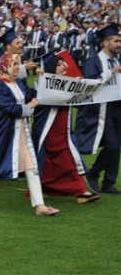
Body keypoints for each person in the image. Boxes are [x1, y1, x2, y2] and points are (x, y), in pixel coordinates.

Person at [0, 53, 60, 216]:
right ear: (5, 65)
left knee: (31, 165)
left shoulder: (16, 83)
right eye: (14, 64)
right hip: (2, 132)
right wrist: (31, 107)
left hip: (20, 131)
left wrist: (39, 81)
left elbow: (29, 95)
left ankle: (40, 205)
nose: (17, 67)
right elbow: (11, 109)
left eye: (18, 64)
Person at [32, 54, 99, 204]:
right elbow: (37, 97)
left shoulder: (67, 84)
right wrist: (39, 80)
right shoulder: (43, 84)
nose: (64, 67)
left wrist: (86, 87)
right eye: (60, 65)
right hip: (49, 130)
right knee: (67, 159)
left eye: (64, 64)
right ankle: (80, 191)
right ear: (51, 69)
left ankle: (42, 187)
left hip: (64, 129)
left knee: (58, 160)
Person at [74, 23, 121, 194]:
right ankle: (93, 174)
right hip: (101, 109)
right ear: (105, 43)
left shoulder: (118, 60)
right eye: (116, 41)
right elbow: (90, 84)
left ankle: (109, 182)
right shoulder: (93, 61)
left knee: (118, 146)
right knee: (112, 145)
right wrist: (111, 72)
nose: (119, 44)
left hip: (117, 107)